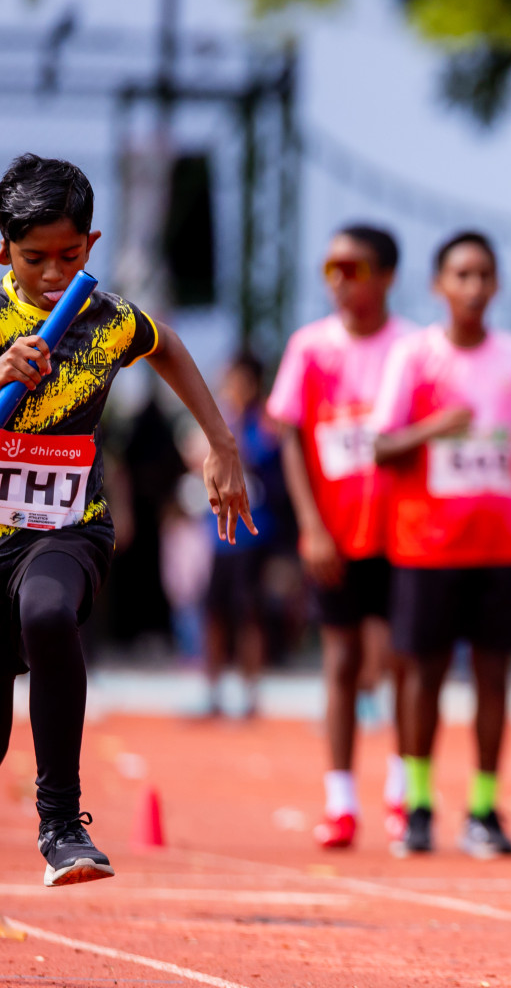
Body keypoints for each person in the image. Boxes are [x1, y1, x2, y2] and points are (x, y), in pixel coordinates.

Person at [0, 154, 253, 886]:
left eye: (69, 256)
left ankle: (61, 824)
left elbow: (167, 344)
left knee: (49, 614)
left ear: (92, 244)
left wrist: (220, 442)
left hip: (67, 527)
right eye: (33, 258)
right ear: (2, 249)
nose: (53, 274)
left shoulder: (106, 318)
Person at [372, 230, 511, 859]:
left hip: (502, 542)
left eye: (483, 276)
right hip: (428, 544)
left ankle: (483, 807)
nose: (473, 287)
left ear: (496, 284)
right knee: (423, 675)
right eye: (461, 276)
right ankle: (417, 804)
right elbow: (380, 445)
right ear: (439, 286)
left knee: (494, 677)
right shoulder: (414, 356)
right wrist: (430, 429)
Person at [267, 224, 416, 849]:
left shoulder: (413, 346)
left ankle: (408, 795)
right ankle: (340, 800)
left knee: (401, 662)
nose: (337, 280)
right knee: (341, 661)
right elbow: (291, 437)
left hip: (405, 532)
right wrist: (310, 525)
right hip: (334, 532)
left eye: (352, 268)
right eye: (329, 267)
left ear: (385, 277)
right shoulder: (310, 347)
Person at [200, 352, 283, 719]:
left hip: (252, 537)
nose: (230, 388)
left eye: (235, 381)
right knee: (214, 613)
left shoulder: (264, 422)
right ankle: (212, 690)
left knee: (250, 614)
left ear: (251, 384)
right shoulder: (221, 419)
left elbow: (253, 454)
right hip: (219, 536)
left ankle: (251, 692)